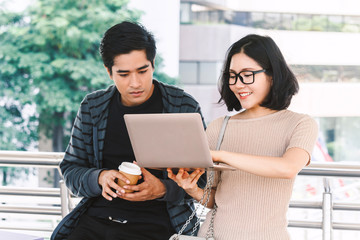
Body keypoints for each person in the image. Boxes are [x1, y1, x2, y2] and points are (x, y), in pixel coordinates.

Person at [51, 21, 206, 240]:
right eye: (123, 74)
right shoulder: (93, 107)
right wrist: (99, 177)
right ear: (109, 72)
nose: (135, 83)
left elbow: (204, 180)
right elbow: (71, 169)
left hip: (159, 222)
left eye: (142, 71)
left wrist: (162, 189)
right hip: (97, 219)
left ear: (153, 64)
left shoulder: (182, 106)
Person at [168, 34, 318, 239]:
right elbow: (215, 200)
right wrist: (193, 189)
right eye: (232, 75)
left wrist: (221, 155)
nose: (238, 84)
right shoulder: (219, 127)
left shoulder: (300, 124)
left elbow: (288, 168)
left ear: (272, 75)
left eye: (247, 74)